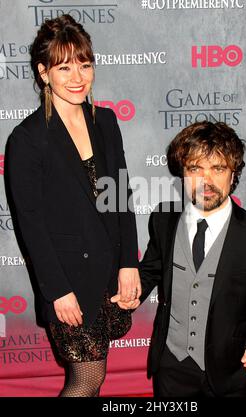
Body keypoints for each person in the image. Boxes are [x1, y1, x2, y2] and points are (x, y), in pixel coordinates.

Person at [5, 14, 141, 397]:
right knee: (87, 379)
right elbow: (29, 224)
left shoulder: (106, 121)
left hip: (109, 272)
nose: (78, 76)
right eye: (64, 67)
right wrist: (57, 290)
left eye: (84, 64)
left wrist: (129, 261)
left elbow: (121, 196)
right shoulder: (27, 139)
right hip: (68, 281)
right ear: (44, 73)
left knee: (97, 376)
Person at [118, 121, 246, 397]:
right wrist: (135, 292)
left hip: (231, 365)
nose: (206, 180)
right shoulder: (163, 219)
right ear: (183, 173)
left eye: (218, 169)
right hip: (171, 364)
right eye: (195, 168)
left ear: (233, 174)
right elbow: (152, 268)